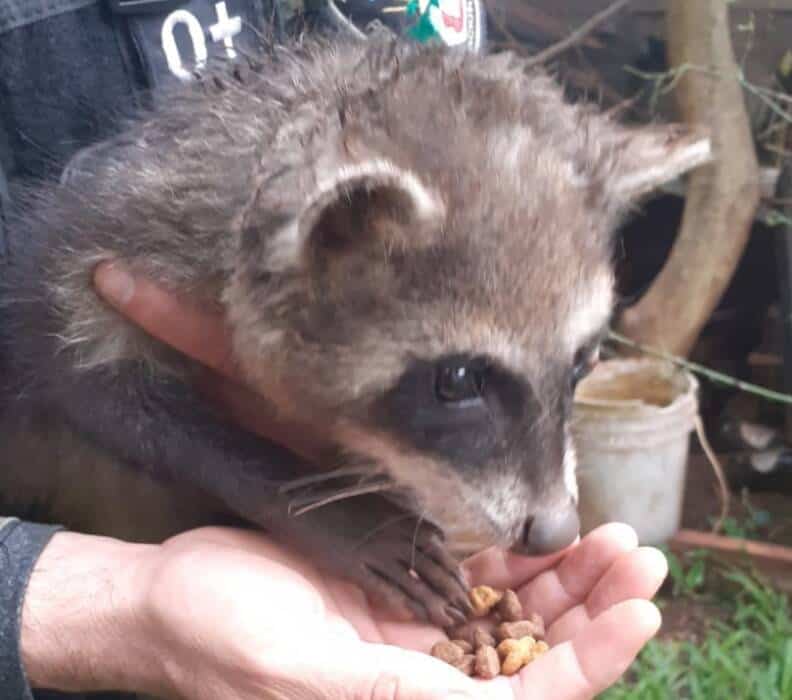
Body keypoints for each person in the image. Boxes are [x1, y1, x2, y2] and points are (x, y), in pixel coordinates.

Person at [0, 2, 668, 698]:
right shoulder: (247, 229)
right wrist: (286, 508)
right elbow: (81, 353)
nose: (555, 516)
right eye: (462, 381)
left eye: (579, 360)